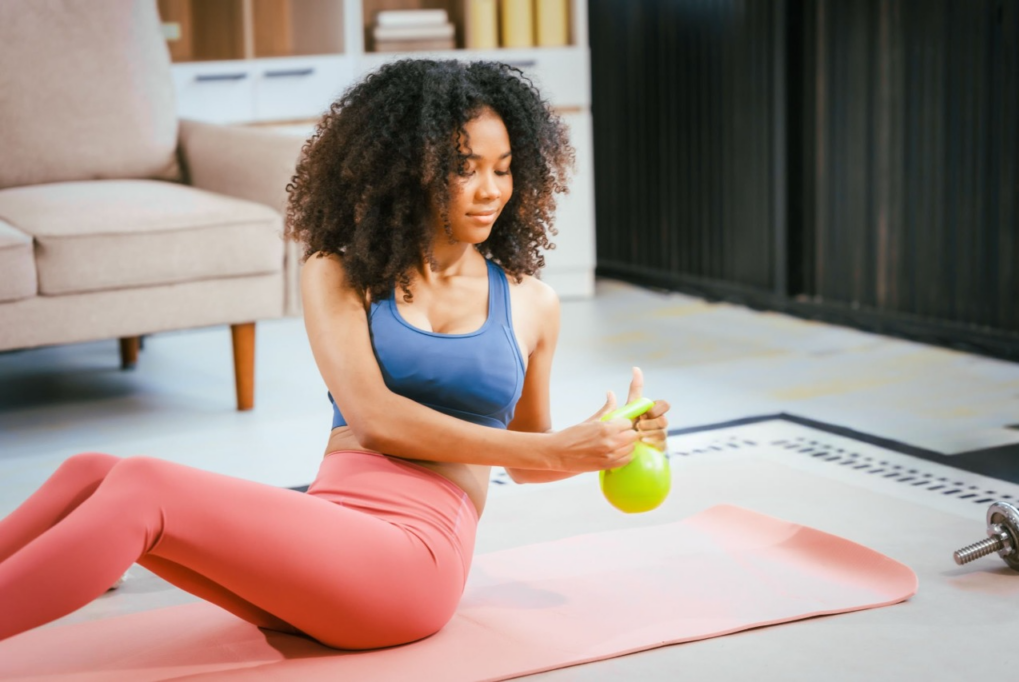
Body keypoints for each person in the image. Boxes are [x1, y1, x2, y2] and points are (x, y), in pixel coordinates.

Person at [0, 59, 671, 649]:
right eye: (465, 169)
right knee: (92, 468)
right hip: (329, 540)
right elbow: (374, 420)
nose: (491, 190)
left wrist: (599, 445)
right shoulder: (339, 271)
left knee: (143, 485)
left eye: (503, 170)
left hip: (410, 567)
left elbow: (527, 461)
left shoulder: (532, 303)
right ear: (409, 170)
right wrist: (558, 450)